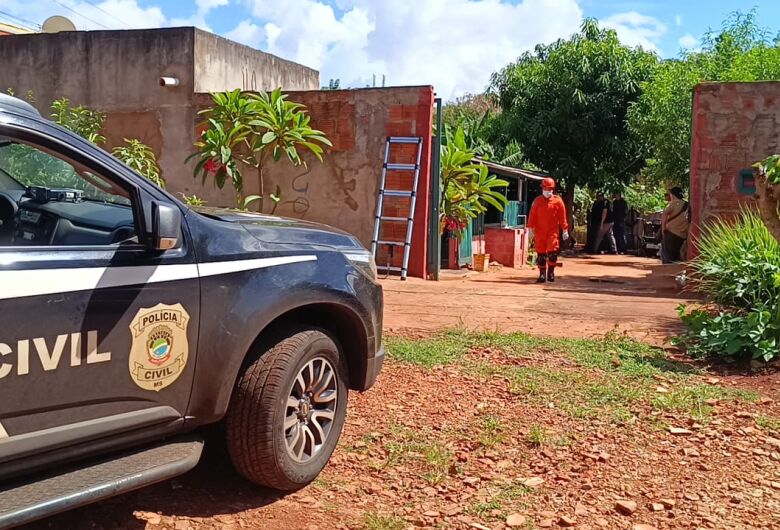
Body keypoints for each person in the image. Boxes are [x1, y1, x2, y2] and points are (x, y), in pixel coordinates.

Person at [527, 177, 569, 283]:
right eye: (545, 189)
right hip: (540, 232)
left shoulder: (558, 201)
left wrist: (565, 229)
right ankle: (542, 274)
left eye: (549, 189)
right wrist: (530, 229)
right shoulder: (537, 201)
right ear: (542, 189)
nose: (547, 191)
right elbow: (532, 216)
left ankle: (551, 273)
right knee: (541, 254)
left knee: (552, 253)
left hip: (552, 232)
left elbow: (562, 217)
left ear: (552, 189)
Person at [661, 187, 690, 263]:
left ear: (673, 195)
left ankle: (666, 269)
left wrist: (663, 228)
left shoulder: (672, 204)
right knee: (676, 256)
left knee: (667, 257)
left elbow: (664, 214)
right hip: (682, 235)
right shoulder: (687, 205)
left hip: (670, 233)